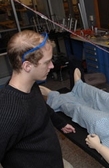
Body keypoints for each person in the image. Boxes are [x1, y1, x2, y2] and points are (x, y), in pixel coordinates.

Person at [0, 30, 75, 168]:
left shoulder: (31, 86)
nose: (52, 66)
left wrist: (60, 123)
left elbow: (41, 107)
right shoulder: (8, 113)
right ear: (27, 66)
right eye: (47, 62)